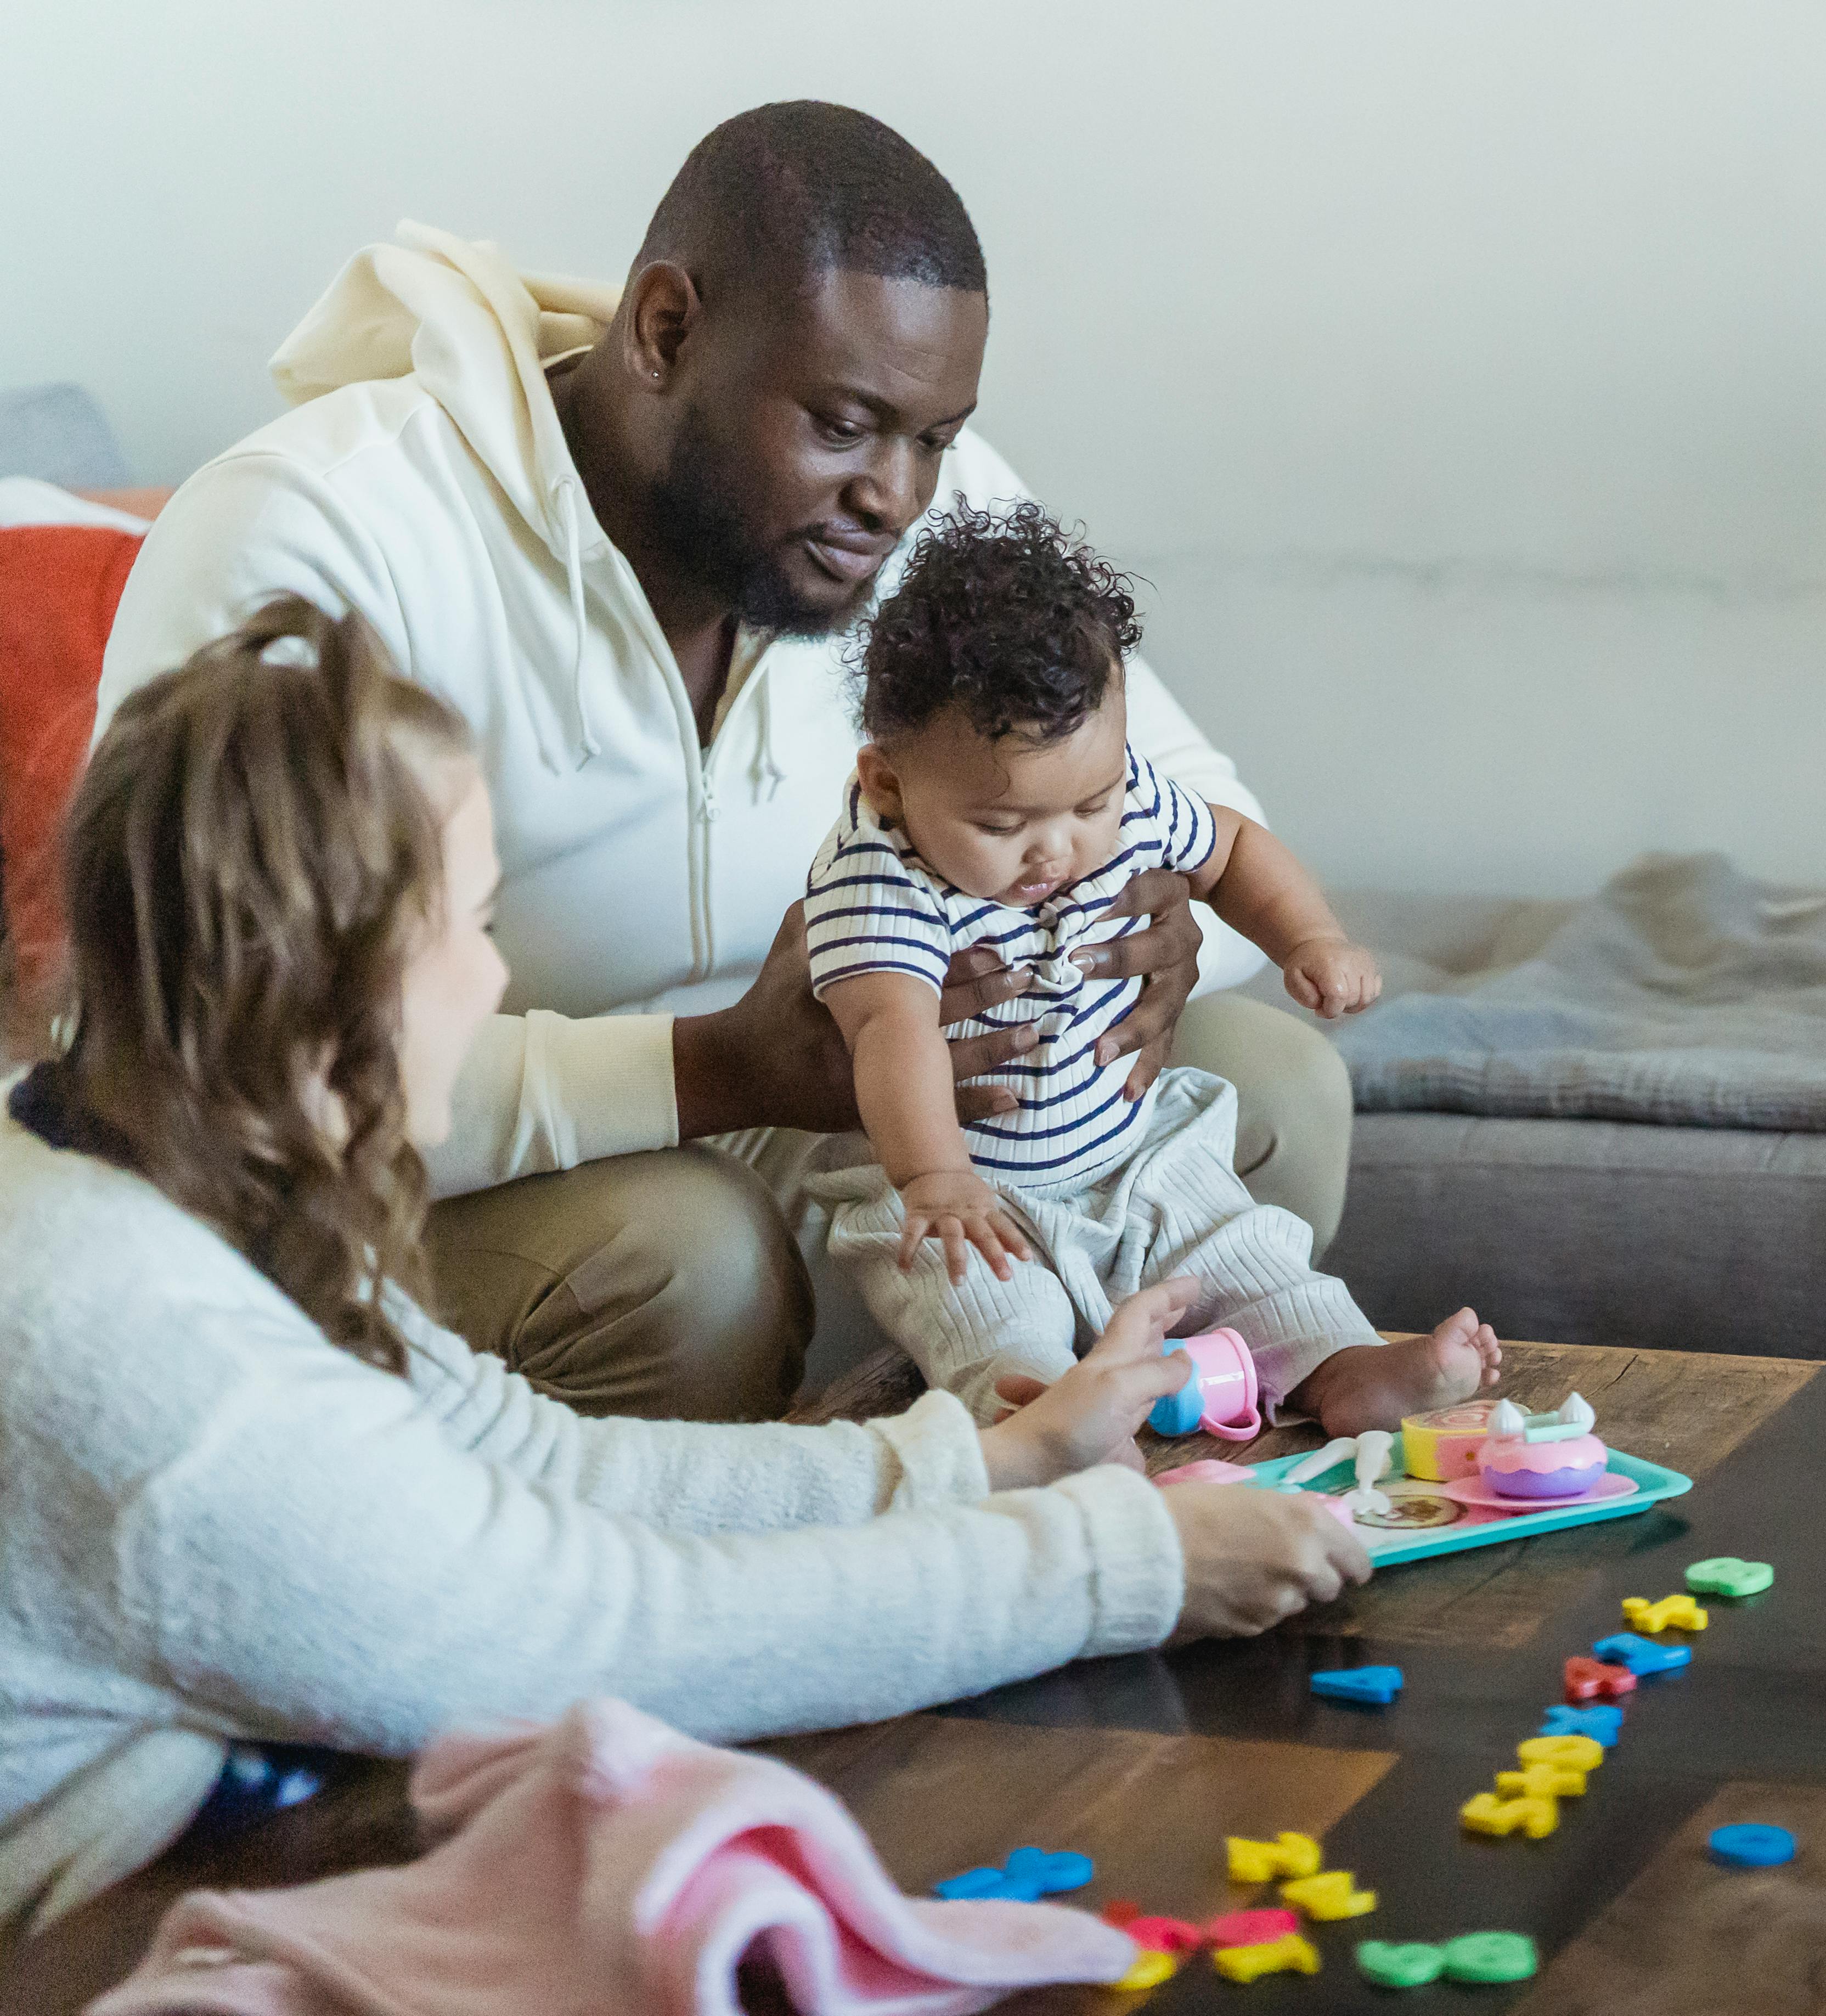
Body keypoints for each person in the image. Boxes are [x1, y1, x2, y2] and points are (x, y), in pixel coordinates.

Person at [0, 600, 1368, 1935]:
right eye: (470, 930)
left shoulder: (158, 1172)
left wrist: (988, 1461)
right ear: (325, 983)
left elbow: (542, 1466)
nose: (490, 986)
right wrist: (1119, 1563)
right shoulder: (140, 1352)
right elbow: (598, 1628)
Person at [94, 101, 1356, 1423]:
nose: (900, 498)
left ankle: (1109, 1528)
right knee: (689, 1247)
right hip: (444, 1196)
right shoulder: (324, 534)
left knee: (1277, 1089)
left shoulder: (923, 502)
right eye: (844, 423)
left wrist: (1158, 942)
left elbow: (1200, 801)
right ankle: (705, 1581)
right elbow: (210, 1076)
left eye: (931, 437)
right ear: (666, 332)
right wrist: (712, 1071)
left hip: (865, 1130)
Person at [801, 502, 1499, 1429]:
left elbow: (1231, 847)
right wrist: (935, 1179)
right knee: (991, 1315)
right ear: (888, 780)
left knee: (1247, 1253)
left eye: (1088, 803)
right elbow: (892, 1030)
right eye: (1001, 827)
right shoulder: (877, 874)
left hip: (1134, 1152)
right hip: (971, 1191)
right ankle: (1043, 1424)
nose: (1055, 851)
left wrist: (1310, 937)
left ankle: (1345, 1365)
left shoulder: (1126, 804)